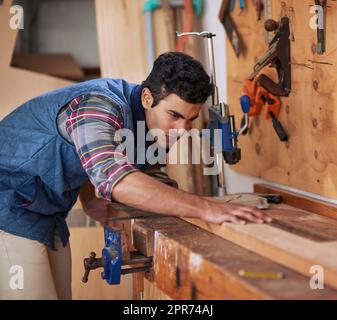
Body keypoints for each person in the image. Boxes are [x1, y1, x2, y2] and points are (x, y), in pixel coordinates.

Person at [0, 52, 272, 299]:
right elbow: (112, 175)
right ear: (146, 97)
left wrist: (90, 199)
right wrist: (204, 208)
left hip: (45, 212)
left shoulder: (149, 125)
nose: (182, 130)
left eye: (190, 120)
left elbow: (85, 155)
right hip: (7, 208)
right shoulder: (97, 107)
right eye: (174, 115)